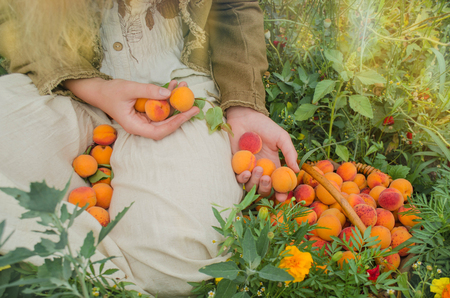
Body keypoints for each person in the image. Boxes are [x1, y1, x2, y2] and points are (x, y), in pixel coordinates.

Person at [0, 0, 299, 297]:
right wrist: (94, 88)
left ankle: (78, 235)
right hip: (72, 83)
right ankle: (113, 232)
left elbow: (233, 5)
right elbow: (18, 13)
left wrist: (243, 107)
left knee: (172, 267)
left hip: (179, 97)